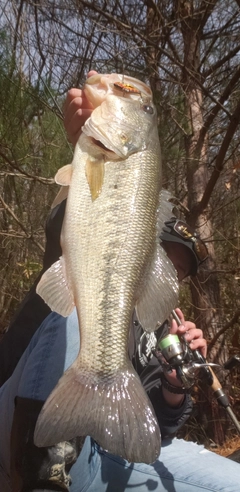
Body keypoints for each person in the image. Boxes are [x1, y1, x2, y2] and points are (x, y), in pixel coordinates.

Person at [0, 78, 239, 492]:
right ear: (143, 240)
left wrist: (173, 386)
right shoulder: (89, 270)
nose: (171, 271)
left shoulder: (159, 327)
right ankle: (39, 473)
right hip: (19, 420)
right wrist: (82, 145)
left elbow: (151, 431)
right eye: (166, 255)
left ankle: (62, 468)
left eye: (178, 271)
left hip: (97, 453)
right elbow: (63, 243)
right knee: (72, 312)